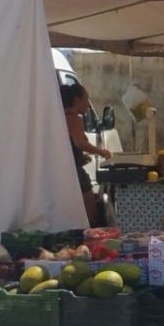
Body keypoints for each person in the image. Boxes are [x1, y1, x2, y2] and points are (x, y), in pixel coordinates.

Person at [60, 84, 112, 226]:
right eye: (86, 99)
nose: (88, 104)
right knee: (90, 213)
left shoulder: (61, 117)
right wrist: (101, 152)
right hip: (75, 173)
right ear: (77, 100)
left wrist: (80, 157)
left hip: (65, 172)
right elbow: (80, 143)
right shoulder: (74, 118)